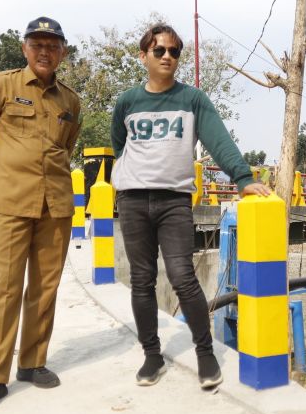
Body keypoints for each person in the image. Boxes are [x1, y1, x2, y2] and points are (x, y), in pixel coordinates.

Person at [111, 23, 273, 390]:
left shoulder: (193, 100)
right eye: (159, 51)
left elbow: (218, 138)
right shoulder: (128, 102)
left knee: (183, 276)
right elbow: (119, 144)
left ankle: (205, 352)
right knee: (142, 279)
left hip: (174, 201)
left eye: (174, 51)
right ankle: (152, 355)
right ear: (144, 56)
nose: (168, 56)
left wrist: (244, 178)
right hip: (133, 199)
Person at [0, 16, 83, 414]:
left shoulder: (70, 100)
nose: (45, 51)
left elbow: (65, 147)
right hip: (10, 203)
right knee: (5, 288)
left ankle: (32, 363)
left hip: (55, 205)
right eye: (37, 44)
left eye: (52, 45)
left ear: (63, 52)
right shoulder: (1, 86)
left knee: (44, 288)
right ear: (24, 48)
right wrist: (0, 182)